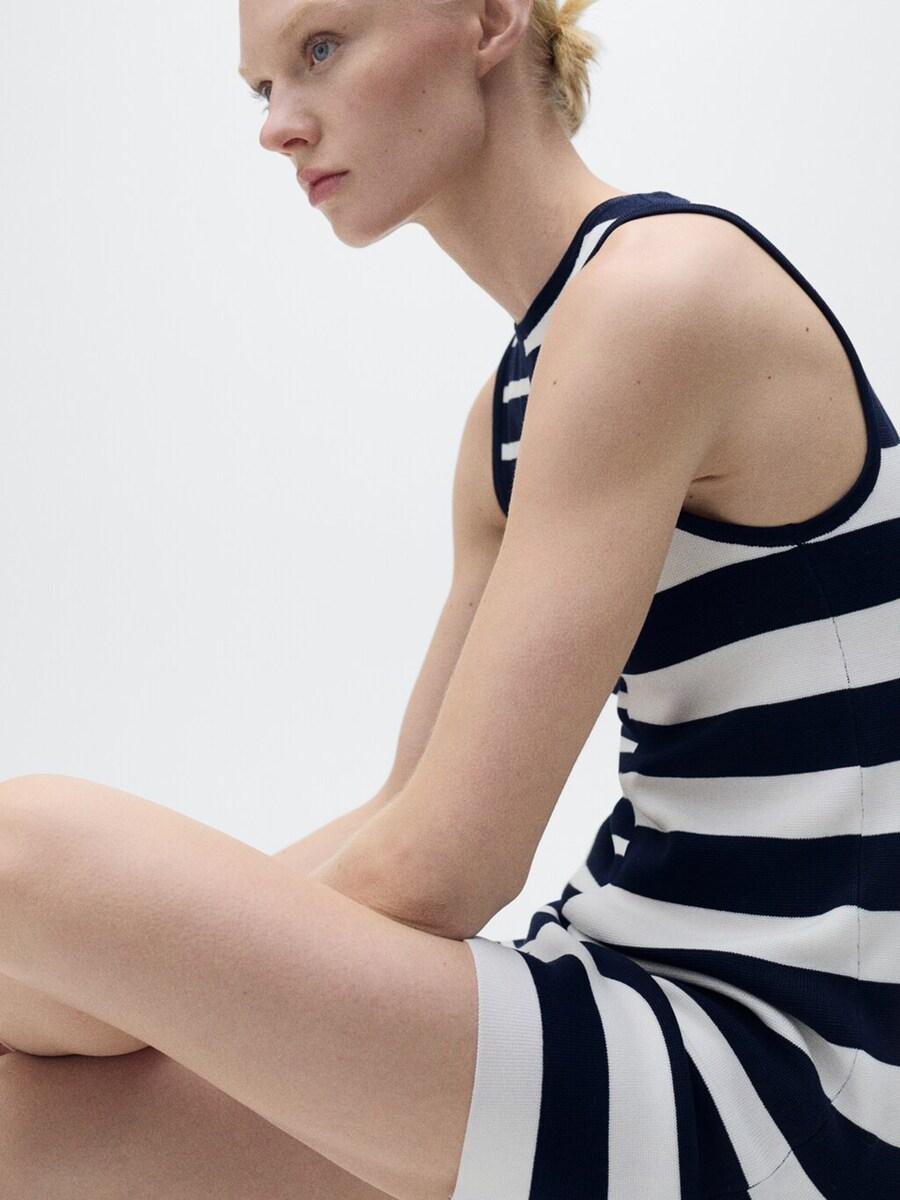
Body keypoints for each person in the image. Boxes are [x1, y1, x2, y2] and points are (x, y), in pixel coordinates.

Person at [1, 2, 897, 1197]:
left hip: (785, 1074)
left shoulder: (661, 290)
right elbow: (407, 804)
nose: (276, 127)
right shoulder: (509, 414)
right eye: (259, 87)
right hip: (620, 1001)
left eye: (321, 50)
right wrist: (133, 983)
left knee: (26, 857)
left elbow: (444, 868)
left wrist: (134, 979)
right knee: (23, 1123)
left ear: (486, 19)